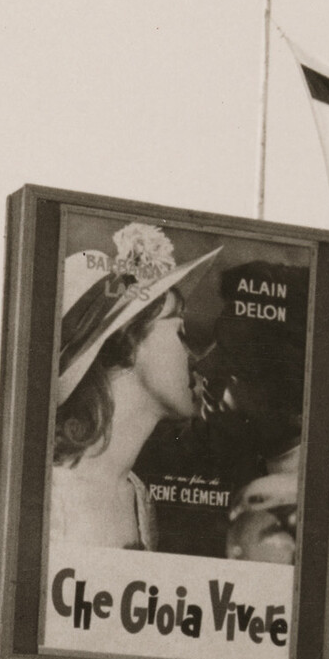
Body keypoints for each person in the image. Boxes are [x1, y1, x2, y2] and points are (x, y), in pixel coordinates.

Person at [50, 223, 221, 555]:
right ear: (128, 341)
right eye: (180, 329)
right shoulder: (53, 493)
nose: (197, 356)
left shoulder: (135, 494)